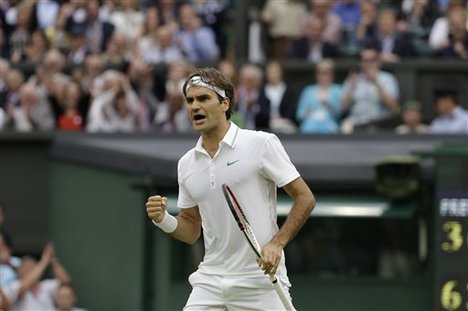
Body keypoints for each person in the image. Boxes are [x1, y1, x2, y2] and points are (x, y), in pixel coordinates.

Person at [145, 67, 315, 310]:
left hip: (259, 282)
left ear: (224, 103)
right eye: (190, 100)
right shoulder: (186, 164)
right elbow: (191, 229)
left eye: (203, 98)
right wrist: (163, 219)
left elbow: (305, 198)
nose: (194, 106)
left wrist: (277, 244)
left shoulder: (261, 143)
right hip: (210, 281)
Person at [340, 46, 400, 132]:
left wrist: (376, 82)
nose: (368, 64)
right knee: (345, 127)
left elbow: (393, 107)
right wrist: (351, 87)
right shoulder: (353, 79)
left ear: (378, 62)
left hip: (378, 122)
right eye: (365, 60)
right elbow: (343, 108)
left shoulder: (387, 78)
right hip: (356, 121)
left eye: (372, 60)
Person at [2, 242, 72, 310]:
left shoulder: (46, 286)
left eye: (34, 268)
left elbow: (65, 282)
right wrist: (44, 260)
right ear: (20, 271)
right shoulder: (13, 285)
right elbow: (24, 286)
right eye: (28, 269)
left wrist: (53, 261)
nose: (33, 272)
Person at [296, 59, 343, 134]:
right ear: (316, 74)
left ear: (332, 74)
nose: (324, 76)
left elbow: (340, 113)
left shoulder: (338, 90)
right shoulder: (308, 91)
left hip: (331, 129)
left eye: (327, 73)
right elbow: (299, 114)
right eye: (321, 73)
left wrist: (329, 106)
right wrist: (309, 112)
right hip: (309, 128)